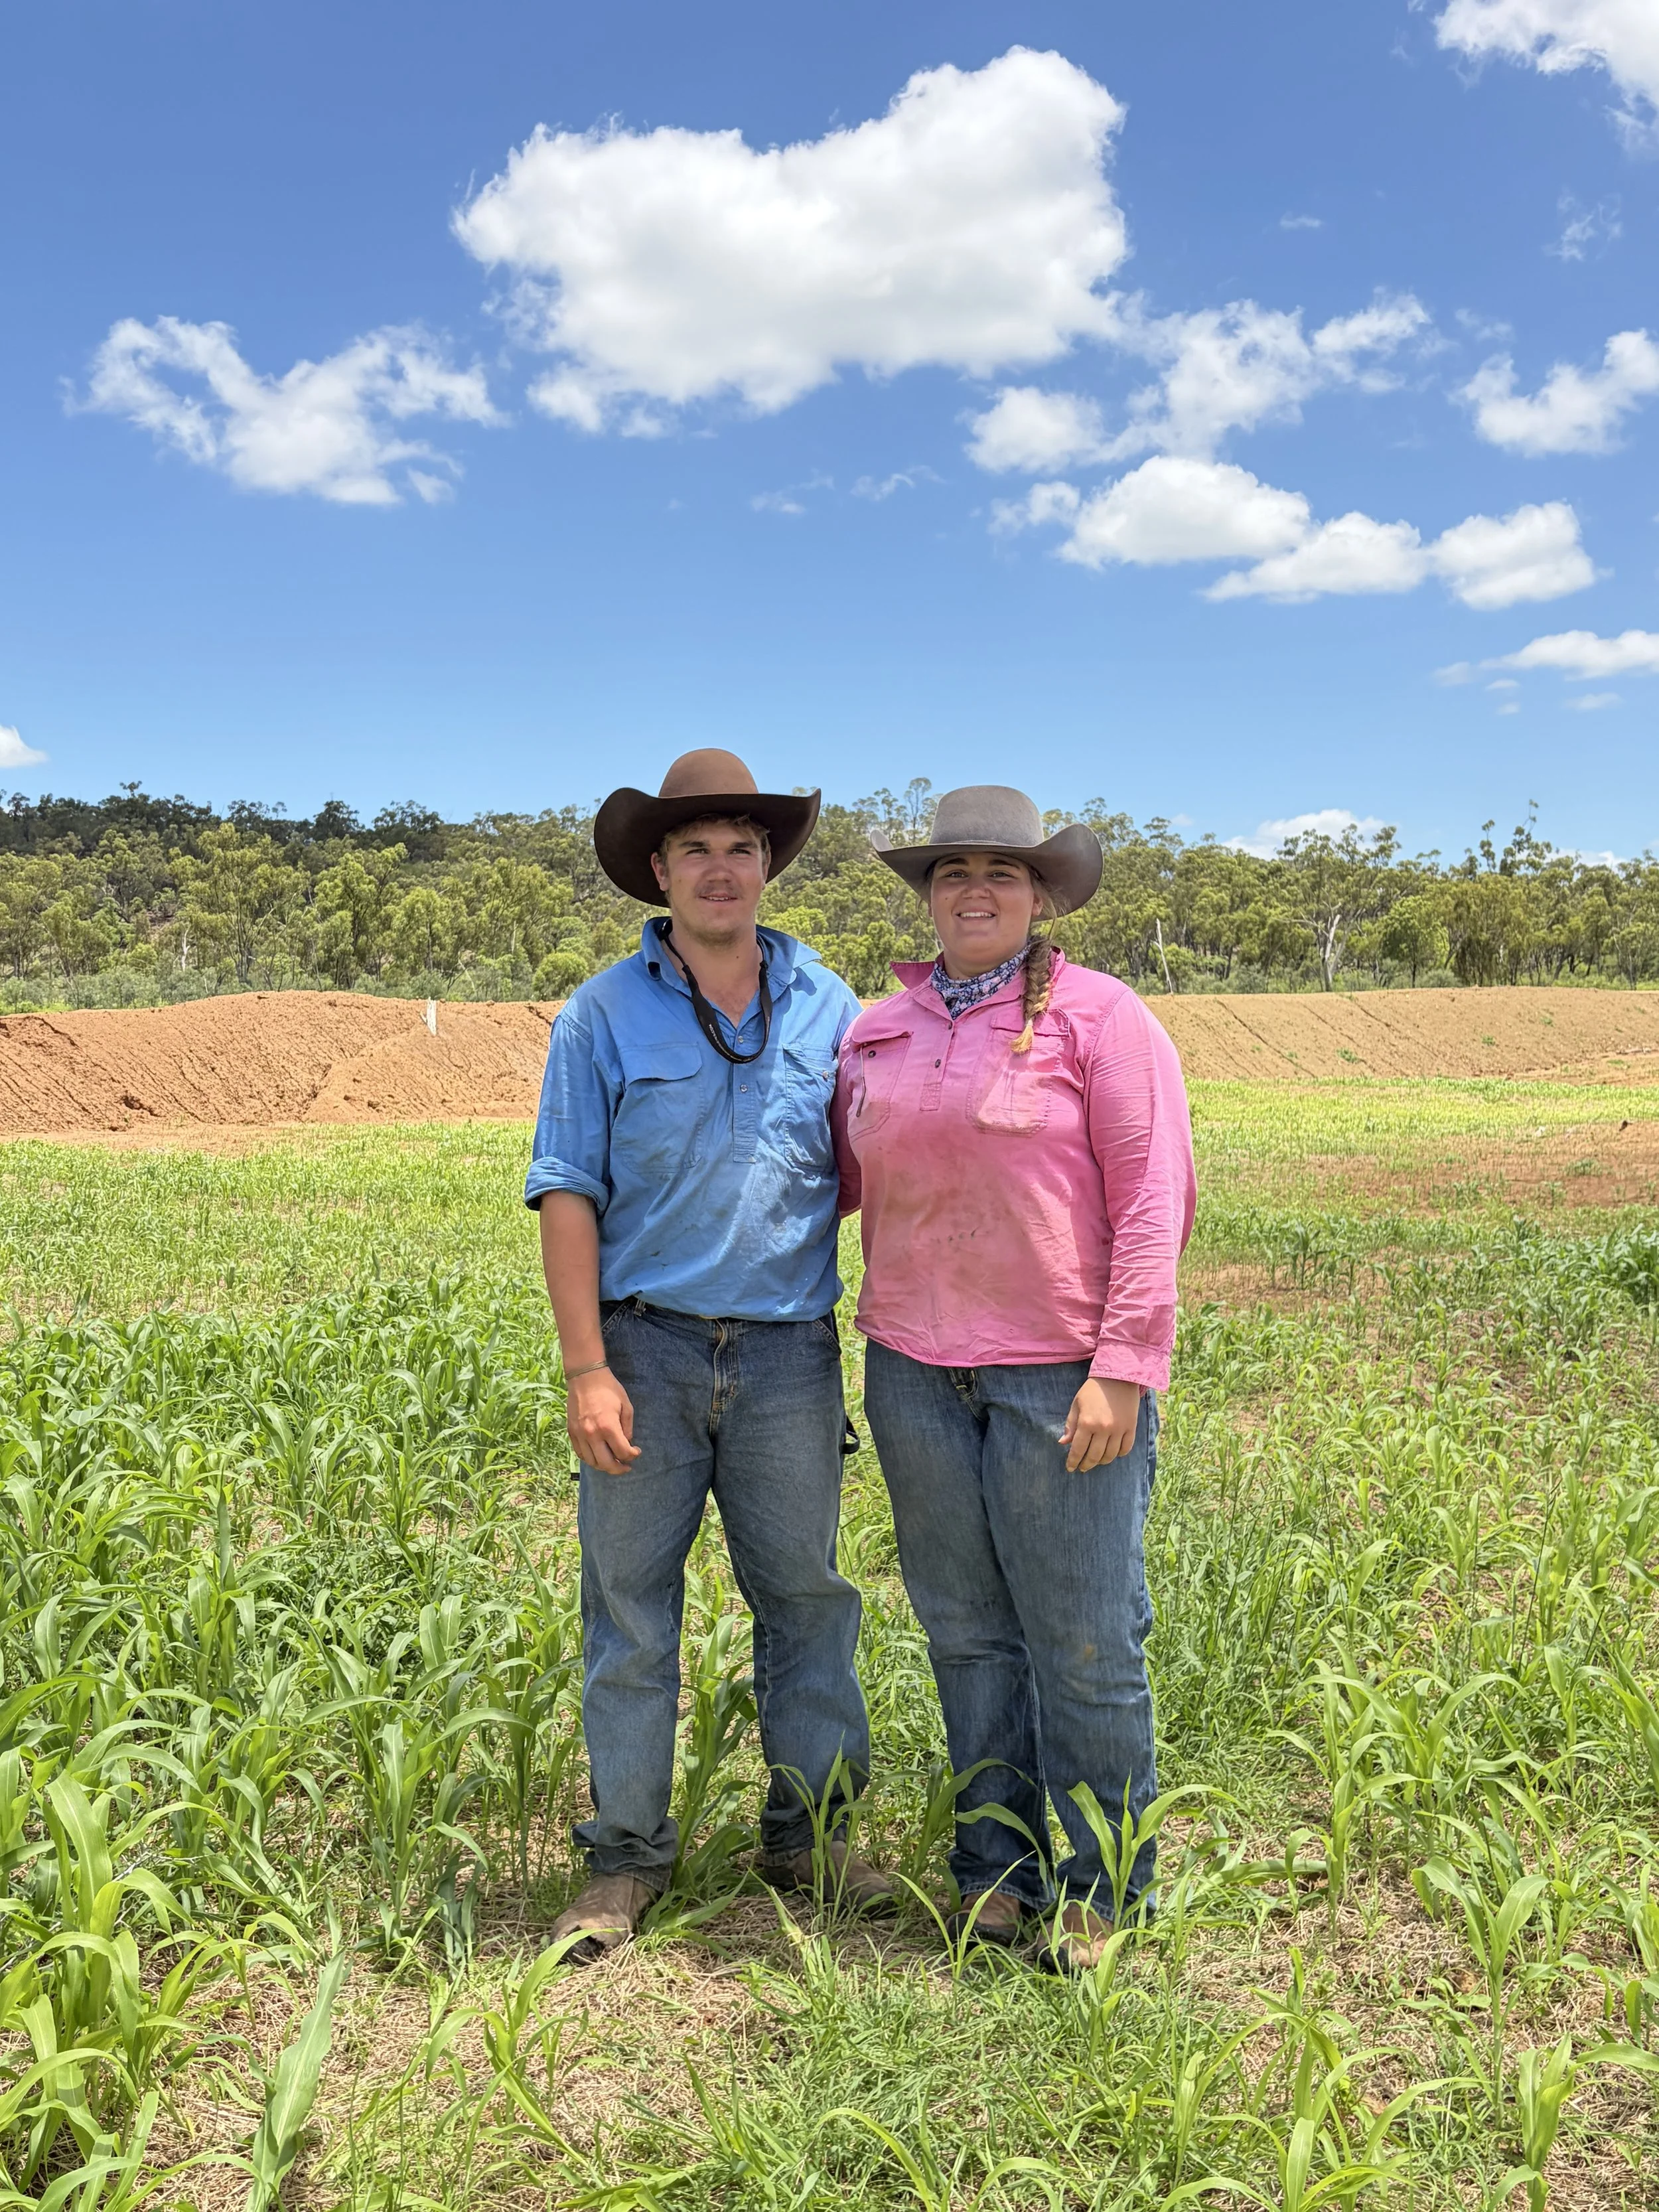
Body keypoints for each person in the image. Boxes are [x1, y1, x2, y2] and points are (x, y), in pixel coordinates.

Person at [528, 748, 892, 1964]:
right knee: (631, 1611)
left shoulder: (834, 1009)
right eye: (696, 850)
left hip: (789, 1358)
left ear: (770, 864)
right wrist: (589, 1368)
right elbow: (568, 1191)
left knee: (807, 1601)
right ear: (658, 870)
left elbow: (872, 1162)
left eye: (742, 847)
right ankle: (626, 1857)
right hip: (646, 1354)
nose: (721, 869)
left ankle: (811, 1837)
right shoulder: (599, 1014)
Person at [832, 785, 1194, 1972]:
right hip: (913, 1373)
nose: (973, 889)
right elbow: (831, 1176)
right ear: (928, 897)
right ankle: (997, 1871)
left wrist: (1124, 1369)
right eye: (951, 872)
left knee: (1085, 1639)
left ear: (1040, 895)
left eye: (1000, 870)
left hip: (1059, 1380)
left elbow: (1152, 1198)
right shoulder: (880, 1028)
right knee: (967, 1634)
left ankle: (1104, 1886)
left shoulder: (1104, 1019)